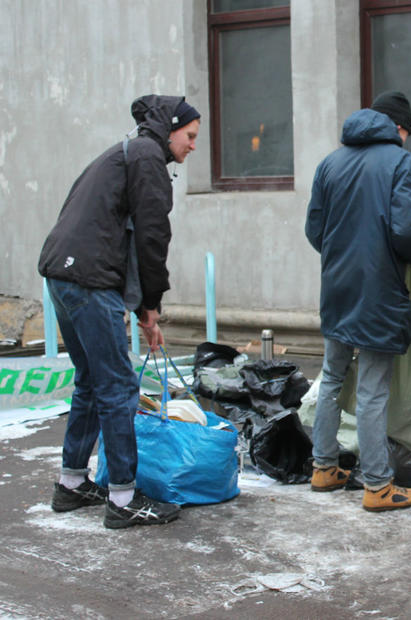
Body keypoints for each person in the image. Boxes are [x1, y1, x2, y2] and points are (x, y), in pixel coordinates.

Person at [38, 95, 200, 528]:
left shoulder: (124, 151)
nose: (193, 146)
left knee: (91, 381)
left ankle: (71, 485)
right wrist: (150, 306)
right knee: (118, 388)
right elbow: (152, 238)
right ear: (170, 130)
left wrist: (140, 306)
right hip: (89, 281)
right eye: (190, 136)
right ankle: (124, 499)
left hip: (62, 273)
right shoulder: (148, 160)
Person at [305, 91, 411, 512]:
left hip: (338, 285)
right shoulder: (400, 163)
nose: (406, 141)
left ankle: (323, 467)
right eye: (406, 133)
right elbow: (408, 234)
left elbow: (313, 230)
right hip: (380, 288)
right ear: (398, 128)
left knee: (332, 375)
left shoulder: (330, 162)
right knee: (374, 389)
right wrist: (409, 260)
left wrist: (342, 256)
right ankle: (377, 484)